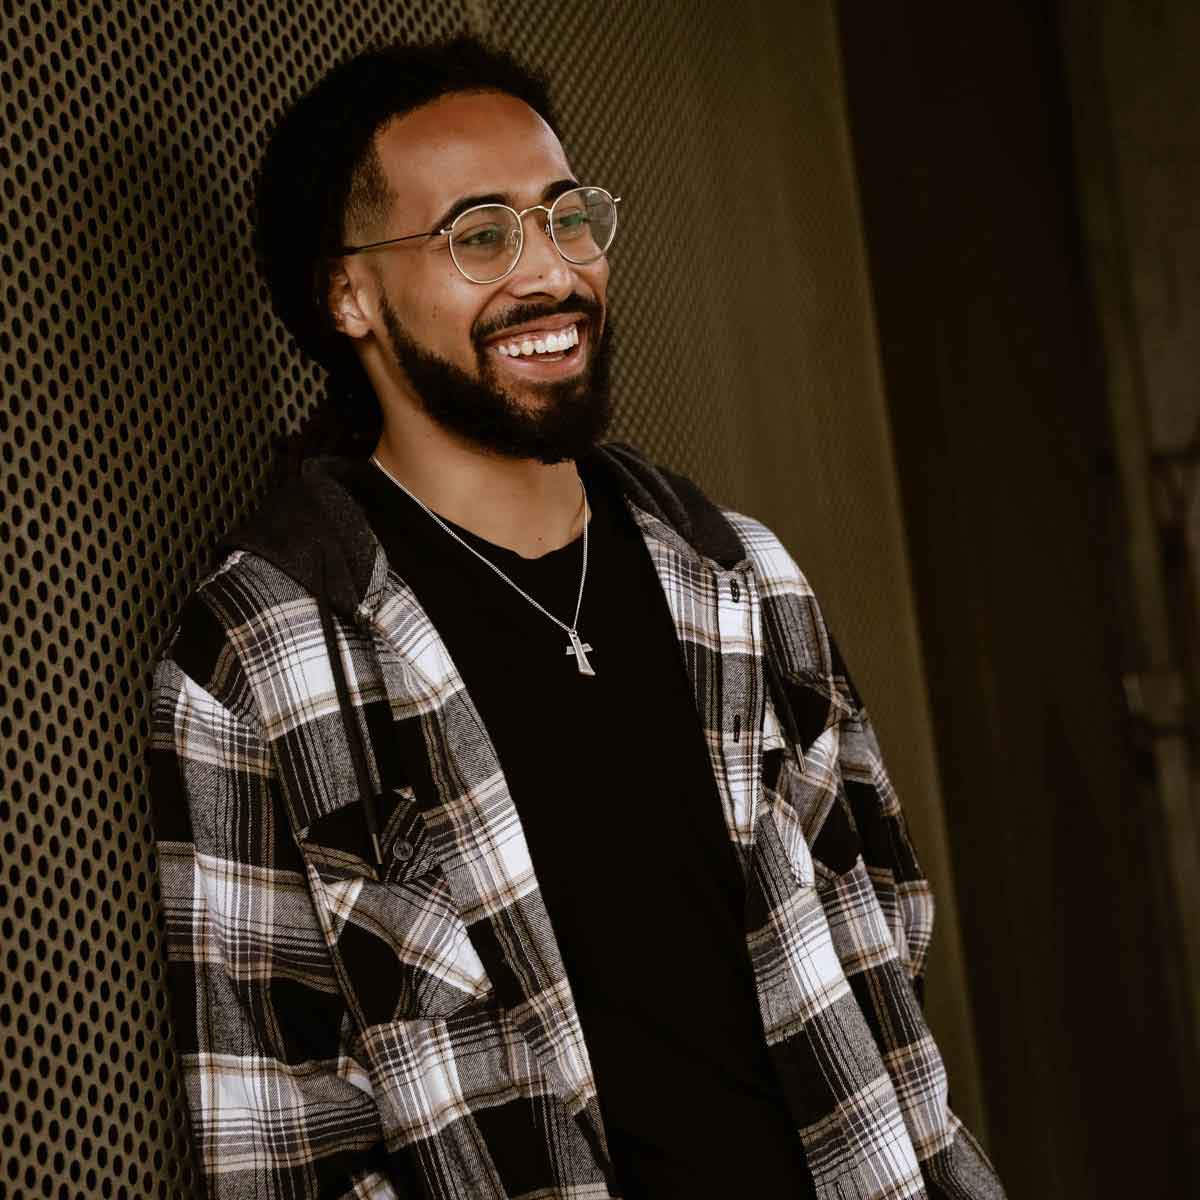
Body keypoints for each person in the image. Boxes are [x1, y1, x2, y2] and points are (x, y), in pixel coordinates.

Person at [149, 35, 1005, 1200]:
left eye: (566, 218)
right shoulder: (264, 653)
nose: (550, 273)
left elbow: (888, 931)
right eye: (479, 235)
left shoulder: (738, 576)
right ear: (347, 292)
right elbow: (274, 1134)